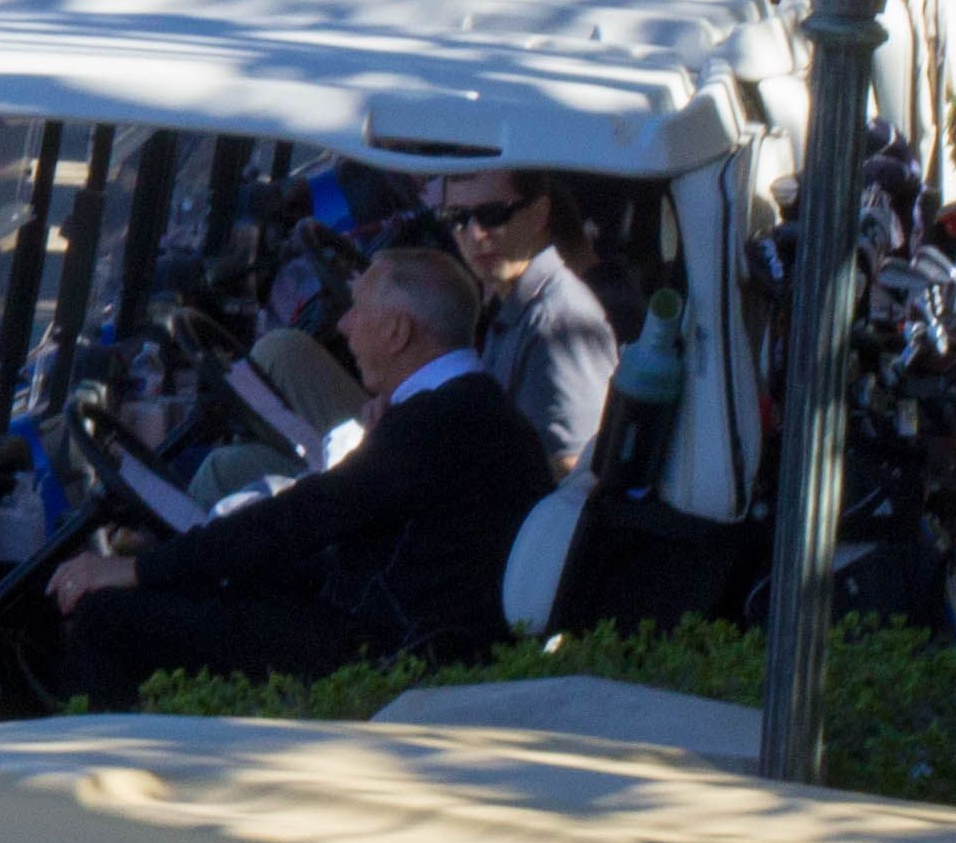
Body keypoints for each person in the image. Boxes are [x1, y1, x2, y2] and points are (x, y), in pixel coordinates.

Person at [48, 246, 560, 702]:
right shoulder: (474, 409)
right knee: (217, 580)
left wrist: (138, 569)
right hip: (405, 626)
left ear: (398, 331)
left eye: (359, 308)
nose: (345, 324)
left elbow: (300, 518)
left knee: (106, 617)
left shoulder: (432, 424)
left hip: (388, 650)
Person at [421, 165, 618, 478]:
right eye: (455, 218)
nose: (474, 234)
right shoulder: (515, 308)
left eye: (493, 214)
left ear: (539, 214)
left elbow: (578, 473)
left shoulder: (556, 322)